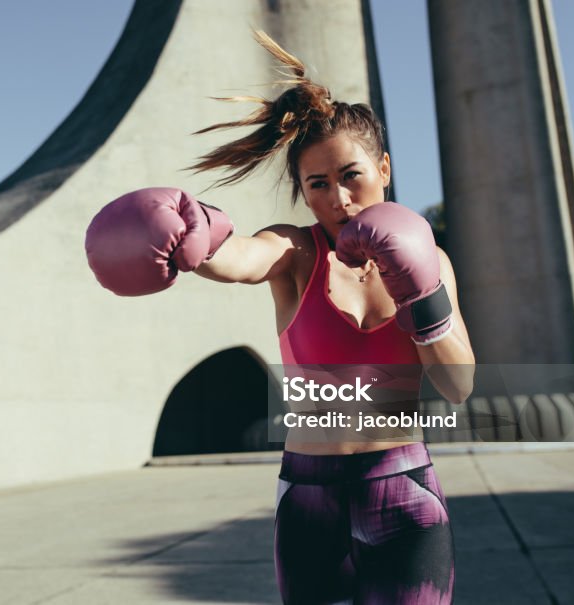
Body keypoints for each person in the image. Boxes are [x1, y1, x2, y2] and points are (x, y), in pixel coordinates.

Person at [86, 31, 475, 605]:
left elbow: (459, 384)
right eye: (317, 184)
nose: (338, 198)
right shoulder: (296, 253)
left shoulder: (431, 259)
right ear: (302, 191)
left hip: (403, 485)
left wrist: (423, 295)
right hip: (310, 494)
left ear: (384, 168)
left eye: (351, 175)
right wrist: (201, 235)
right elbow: (241, 257)